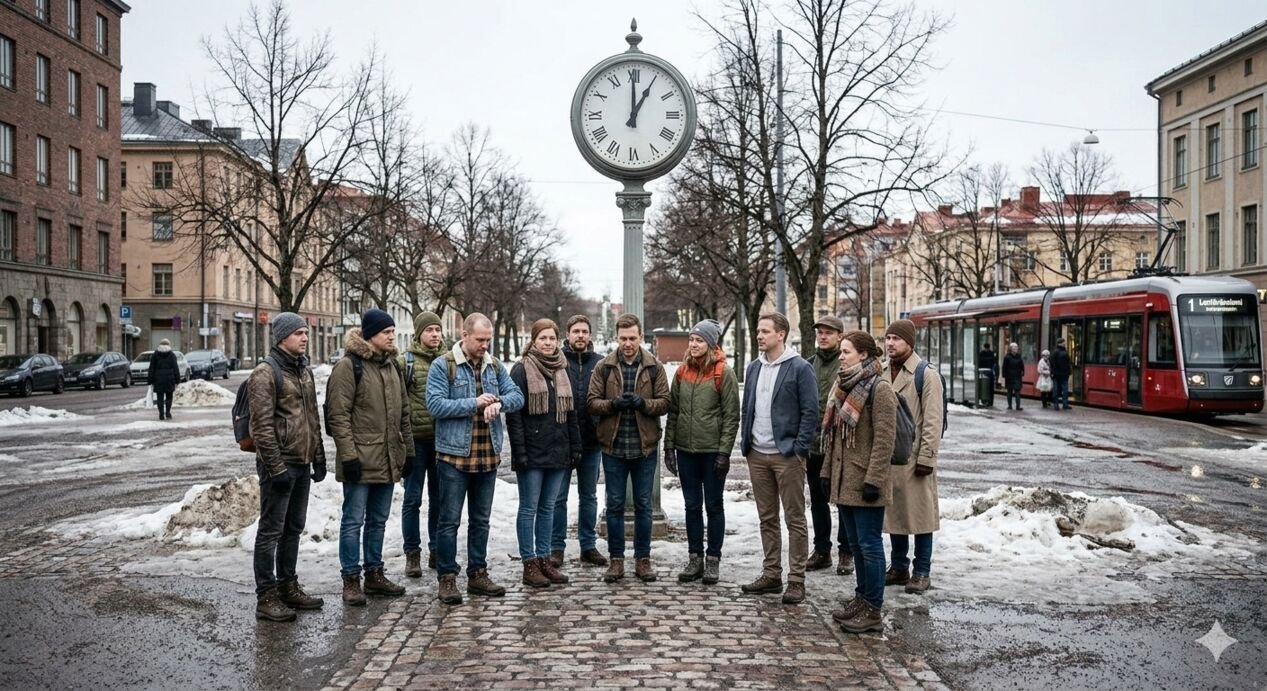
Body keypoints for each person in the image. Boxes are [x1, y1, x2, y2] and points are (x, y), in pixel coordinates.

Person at [426, 313, 525, 605]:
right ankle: (447, 578)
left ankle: (478, 573)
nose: (484, 345)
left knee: (481, 520)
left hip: (487, 454)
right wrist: (475, 403)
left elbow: (517, 396)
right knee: (449, 521)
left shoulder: (494, 366)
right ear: (465, 334)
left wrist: (499, 403)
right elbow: (434, 404)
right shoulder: (443, 365)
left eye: (488, 340)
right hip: (454, 456)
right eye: (480, 340)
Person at [326, 308, 413, 606]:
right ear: (370, 335)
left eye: (392, 331)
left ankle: (374, 574)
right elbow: (338, 415)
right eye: (386, 332)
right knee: (353, 520)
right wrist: (348, 456)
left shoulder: (392, 367)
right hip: (360, 459)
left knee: (378, 520)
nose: (392, 336)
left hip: (388, 457)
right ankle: (351, 579)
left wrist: (408, 452)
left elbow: (404, 414)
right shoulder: (349, 367)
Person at [248, 312, 326, 622]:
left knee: (293, 528)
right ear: (282, 338)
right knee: (270, 531)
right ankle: (265, 597)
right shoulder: (265, 373)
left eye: (306, 333)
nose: (305, 338)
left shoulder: (303, 371)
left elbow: (311, 418)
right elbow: (262, 427)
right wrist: (276, 468)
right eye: (299, 334)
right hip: (278, 466)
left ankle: (288, 586)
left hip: (301, 461)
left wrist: (318, 456)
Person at [739, 312, 819, 605]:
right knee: (766, 518)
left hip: (787, 455)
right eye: (758, 331)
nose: (759, 336)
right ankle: (771, 573)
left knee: (794, 518)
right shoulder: (753, 368)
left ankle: (796, 580)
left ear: (781, 334)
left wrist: (799, 448)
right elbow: (748, 408)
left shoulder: (799, 368)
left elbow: (811, 412)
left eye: (765, 332)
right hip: (757, 454)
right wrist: (746, 441)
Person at [821, 330, 897, 634]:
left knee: (870, 545)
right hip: (845, 480)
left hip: (866, 482)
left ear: (864, 354)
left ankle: (873, 609)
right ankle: (862, 598)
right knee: (855, 544)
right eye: (841, 351)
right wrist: (827, 473)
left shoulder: (879, 389)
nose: (841, 356)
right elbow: (836, 438)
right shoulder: (844, 386)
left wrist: (874, 479)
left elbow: (884, 439)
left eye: (847, 351)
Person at [587, 313, 671, 584]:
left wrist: (642, 404)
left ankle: (643, 560)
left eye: (632, 338)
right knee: (614, 505)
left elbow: (665, 402)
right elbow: (592, 402)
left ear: (641, 338)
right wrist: (613, 405)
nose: (627, 343)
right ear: (616, 338)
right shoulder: (605, 367)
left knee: (644, 505)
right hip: (613, 446)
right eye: (623, 338)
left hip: (644, 446)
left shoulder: (654, 366)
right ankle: (616, 560)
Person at [664, 319, 740, 585]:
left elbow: (732, 416)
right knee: (691, 506)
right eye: (691, 340)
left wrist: (724, 453)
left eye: (699, 340)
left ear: (711, 343)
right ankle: (694, 557)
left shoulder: (723, 373)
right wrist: (669, 447)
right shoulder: (682, 372)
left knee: (714, 506)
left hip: (711, 452)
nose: (693, 344)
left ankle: (713, 560)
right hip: (686, 451)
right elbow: (673, 412)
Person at [507, 319, 580, 589]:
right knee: (529, 508)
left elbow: (571, 412)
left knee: (548, 508)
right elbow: (514, 417)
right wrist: (520, 452)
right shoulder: (521, 369)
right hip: (532, 452)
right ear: (534, 340)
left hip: (559, 450)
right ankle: (530, 563)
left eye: (552, 338)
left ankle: (545, 559)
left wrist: (575, 447)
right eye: (543, 338)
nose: (548, 343)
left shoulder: (563, 368)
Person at [882, 319, 944, 596]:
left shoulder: (925, 374)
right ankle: (898, 566)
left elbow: (933, 420)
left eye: (896, 338)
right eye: (888, 338)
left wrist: (927, 458)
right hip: (890, 458)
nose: (890, 343)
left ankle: (922, 570)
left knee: (920, 517)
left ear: (910, 342)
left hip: (915, 458)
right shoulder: (883, 371)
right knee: (896, 514)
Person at [551, 315, 608, 568]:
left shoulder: (600, 364)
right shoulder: (557, 362)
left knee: (589, 496)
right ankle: (556, 547)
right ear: (568, 334)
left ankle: (588, 545)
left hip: (591, 440)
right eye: (576, 331)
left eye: (584, 331)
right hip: (561, 440)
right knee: (558, 497)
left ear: (590, 335)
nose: (581, 336)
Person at [804, 315, 853, 576]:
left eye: (828, 333)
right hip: (814, 445)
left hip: (840, 444)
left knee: (843, 499)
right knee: (818, 500)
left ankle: (846, 552)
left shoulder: (846, 363)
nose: (823, 337)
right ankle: (822, 550)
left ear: (839, 336)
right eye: (820, 333)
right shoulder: (809, 364)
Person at [399, 311, 445, 577]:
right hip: (415, 442)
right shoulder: (404, 361)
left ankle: (437, 550)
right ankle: (412, 553)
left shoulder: (448, 360)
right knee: (412, 499)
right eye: (429, 330)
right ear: (419, 333)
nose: (435, 334)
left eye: (437, 330)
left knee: (439, 500)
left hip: (441, 442)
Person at [150, 338, 180, 420]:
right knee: (169, 396)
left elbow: (151, 368)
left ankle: (161, 414)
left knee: (160, 397)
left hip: (158, 379)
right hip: (169, 379)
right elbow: (175, 367)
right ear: (168, 345)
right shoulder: (171, 355)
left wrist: (150, 380)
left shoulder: (155, 354)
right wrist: (177, 379)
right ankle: (168, 412)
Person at [1001, 342, 1025, 411]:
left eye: (1017, 347)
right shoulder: (1007, 357)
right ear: (1011, 349)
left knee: (1017, 392)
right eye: (1015, 348)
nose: (1016, 349)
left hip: (1017, 376)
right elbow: (1004, 367)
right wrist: (1004, 375)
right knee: (1010, 391)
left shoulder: (1018, 356)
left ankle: (1017, 406)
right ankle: (1010, 405)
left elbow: (1022, 365)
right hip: (1010, 376)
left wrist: (1022, 372)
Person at [1050, 338, 1072, 410]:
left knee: (1058, 390)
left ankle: (1058, 404)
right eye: (1063, 342)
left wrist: (1053, 373)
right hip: (1061, 374)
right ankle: (1062, 404)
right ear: (1060, 343)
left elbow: (1052, 364)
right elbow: (1054, 364)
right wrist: (1068, 371)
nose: (1064, 343)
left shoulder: (1056, 352)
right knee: (1062, 389)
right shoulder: (1061, 352)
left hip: (1059, 374)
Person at [976, 341, 997, 407]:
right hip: (989, 372)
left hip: (983, 372)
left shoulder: (981, 354)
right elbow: (994, 363)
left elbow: (979, 362)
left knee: (984, 387)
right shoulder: (991, 354)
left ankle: (985, 400)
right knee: (990, 388)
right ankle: (989, 401)